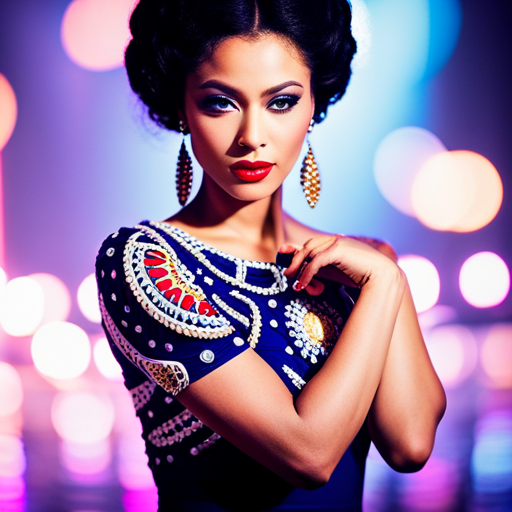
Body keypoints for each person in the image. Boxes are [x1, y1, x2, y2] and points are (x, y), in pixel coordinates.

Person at [95, 1, 446, 510]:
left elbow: (410, 445)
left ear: (314, 105)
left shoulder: (367, 267)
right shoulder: (144, 265)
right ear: (182, 108)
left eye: (280, 102)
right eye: (220, 103)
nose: (252, 137)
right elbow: (309, 455)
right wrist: (385, 284)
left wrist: (386, 278)